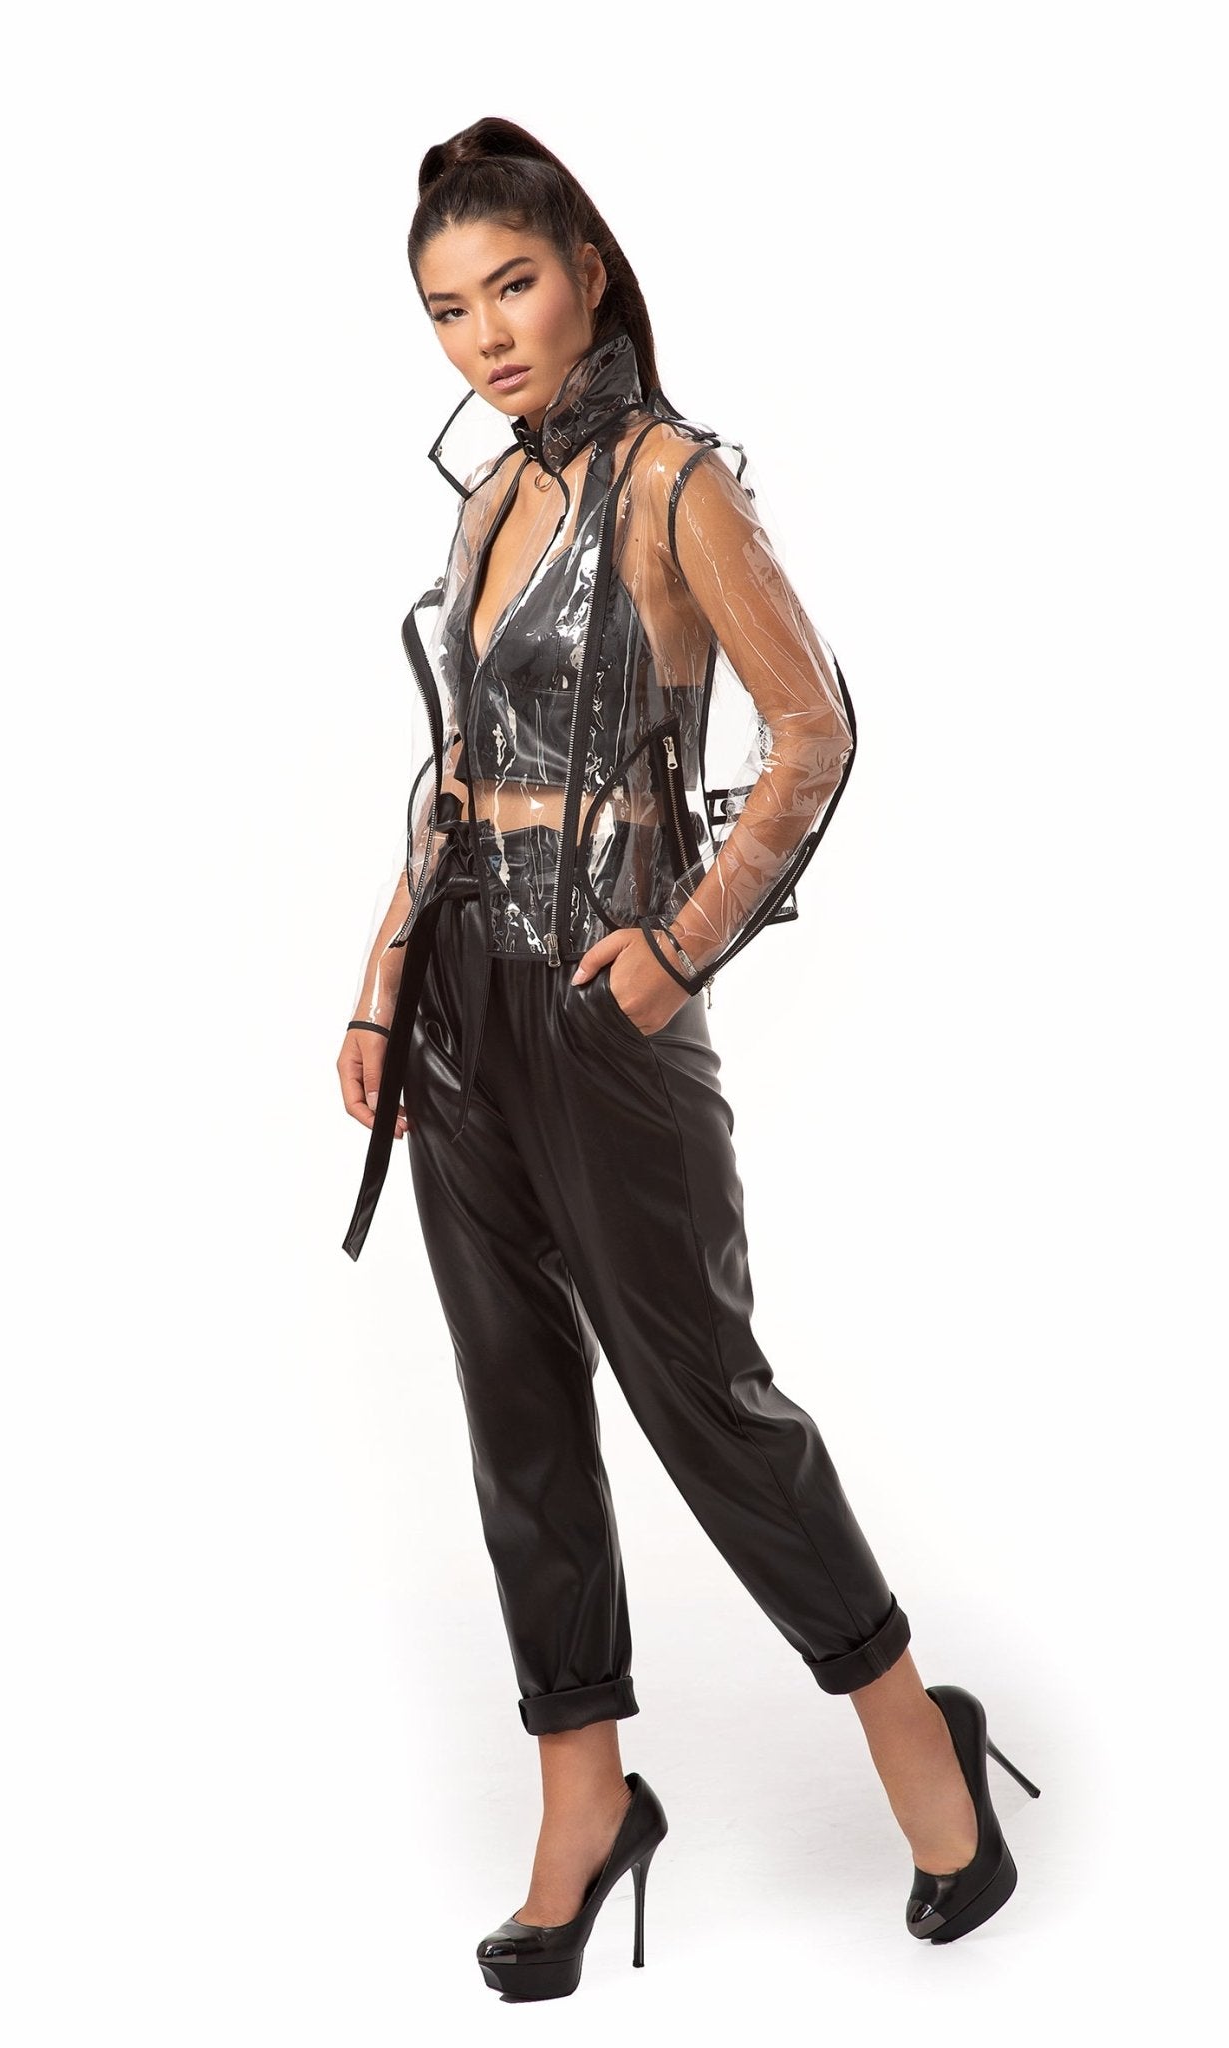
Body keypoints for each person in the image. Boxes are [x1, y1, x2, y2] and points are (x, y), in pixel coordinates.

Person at [336, 117, 1040, 2000]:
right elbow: (453, 775)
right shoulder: (486, 502)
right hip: (459, 1007)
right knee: (515, 1413)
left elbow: (813, 729)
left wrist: (678, 945)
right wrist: (383, 978)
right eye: (446, 310)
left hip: (601, 1005)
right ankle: (584, 1801)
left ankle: (918, 1741)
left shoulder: (674, 485)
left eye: (511, 286)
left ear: (586, 271)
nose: (485, 335)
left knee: (704, 1401)